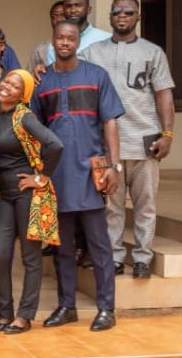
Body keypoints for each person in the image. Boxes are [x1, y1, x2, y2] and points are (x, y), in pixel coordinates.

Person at [34, 21, 124, 332]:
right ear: (52, 41)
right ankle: (66, 306)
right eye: (60, 37)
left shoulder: (96, 76)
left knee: (99, 245)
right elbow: (34, 129)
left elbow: (110, 122)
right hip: (56, 175)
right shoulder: (42, 82)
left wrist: (114, 165)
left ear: (77, 43)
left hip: (90, 173)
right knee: (62, 247)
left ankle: (106, 308)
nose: (65, 42)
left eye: (71, 38)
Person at [82, 0, 175, 279]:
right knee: (112, 207)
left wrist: (167, 134)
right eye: (117, 12)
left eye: (128, 12)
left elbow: (164, 95)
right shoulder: (92, 52)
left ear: (137, 17)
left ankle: (143, 258)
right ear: (110, 17)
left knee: (145, 205)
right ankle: (115, 257)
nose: (122, 16)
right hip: (107, 144)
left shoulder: (153, 52)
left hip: (145, 141)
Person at [0, 69, 63, 335]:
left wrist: (41, 177)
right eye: (6, 81)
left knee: (30, 256)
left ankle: (25, 315)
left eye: (15, 85)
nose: (7, 86)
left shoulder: (24, 116)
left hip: (25, 192)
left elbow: (55, 144)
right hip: (2, 194)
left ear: (23, 95)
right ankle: (5, 313)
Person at [41, 0, 111, 66]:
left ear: (88, 9)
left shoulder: (105, 38)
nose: (73, 10)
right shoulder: (56, 44)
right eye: (69, 6)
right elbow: (54, 71)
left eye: (78, 5)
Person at [28, 1, 65, 75]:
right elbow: (29, 74)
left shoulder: (80, 44)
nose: (58, 19)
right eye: (54, 16)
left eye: (62, 15)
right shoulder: (40, 48)